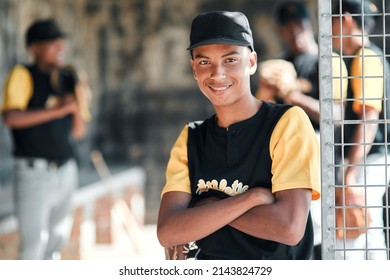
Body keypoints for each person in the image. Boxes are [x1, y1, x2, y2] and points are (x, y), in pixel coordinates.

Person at [157, 10, 320, 260]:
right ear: (194, 69)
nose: (217, 73)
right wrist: (252, 198)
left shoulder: (287, 122)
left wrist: (207, 207)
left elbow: (288, 227)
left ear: (252, 62)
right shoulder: (191, 137)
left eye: (230, 59)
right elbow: (168, 231)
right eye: (204, 62)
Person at [1, 19, 91, 259]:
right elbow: (11, 117)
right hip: (34, 173)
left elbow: (79, 132)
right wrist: (57, 110)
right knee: (34, 244)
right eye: (51, 43)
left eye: (60, 42)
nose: (59, 47)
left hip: (66, 171)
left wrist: (77, 101)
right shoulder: (23, 74)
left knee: (56, 241)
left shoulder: (66, 78)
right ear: (33, 47)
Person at [331, 0, 389, 260]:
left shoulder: (365, 58)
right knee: (368, 233)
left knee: (357, 236)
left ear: (345, 19)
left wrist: (350, 172)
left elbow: (369, 118)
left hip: (370, 159)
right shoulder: (364, 56)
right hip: (369, 158)